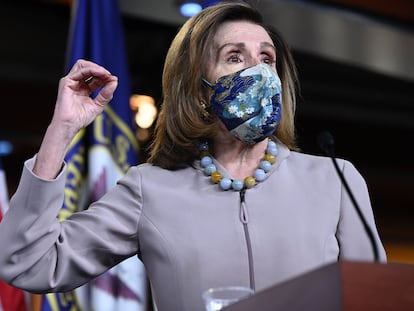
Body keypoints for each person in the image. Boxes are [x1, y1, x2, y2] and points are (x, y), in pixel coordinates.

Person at [0, 1, 386, 311]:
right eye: (234, 57)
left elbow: (377, 298)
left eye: (267, 59)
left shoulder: (335, 179)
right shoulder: (148, 188)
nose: (260, 72)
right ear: (200, 89)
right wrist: (61, 131)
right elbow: (28, 263)